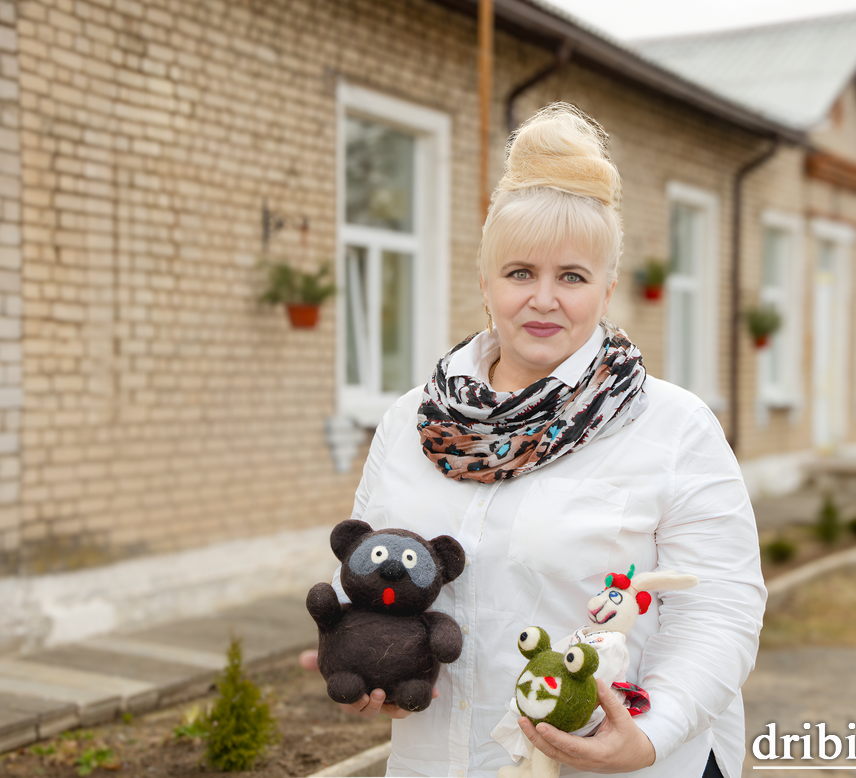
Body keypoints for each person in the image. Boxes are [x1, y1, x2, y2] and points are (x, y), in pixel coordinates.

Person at [301, 103, 765, 778]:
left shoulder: (672, 426)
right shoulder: (414, 420)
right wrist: (371, 670)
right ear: (485, 284)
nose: (543, 299)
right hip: (443, 759)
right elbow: (379, 584)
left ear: (607, 286)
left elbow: (719, 607)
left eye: (571, 276)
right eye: (520, 273)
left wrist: (651, 730)